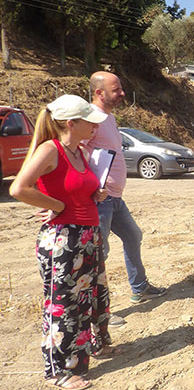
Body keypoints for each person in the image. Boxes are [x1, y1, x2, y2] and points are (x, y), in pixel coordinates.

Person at [10, 95, 122, 390]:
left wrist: (95, 194)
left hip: (88, 235)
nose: (95, 127)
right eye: (89, 122)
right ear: (71, 123)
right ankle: (58, 371)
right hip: (63, 239)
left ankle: (95, 346)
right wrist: (56, 205)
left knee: (92, 297)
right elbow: (19, 188)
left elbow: (77, 188)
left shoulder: (79, 151)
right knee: (63, 305)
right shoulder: (51, 149)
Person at [83, 71, 166, 311]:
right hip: (101, 199)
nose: (122, 93)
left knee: (133, 236)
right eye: (116, 89)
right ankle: (96, 311)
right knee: (99, 253)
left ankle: (140, 288)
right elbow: (79, 155)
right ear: (99, 93)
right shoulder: (90, 118)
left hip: (115, 198)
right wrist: (92, 186)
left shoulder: (108, 118)